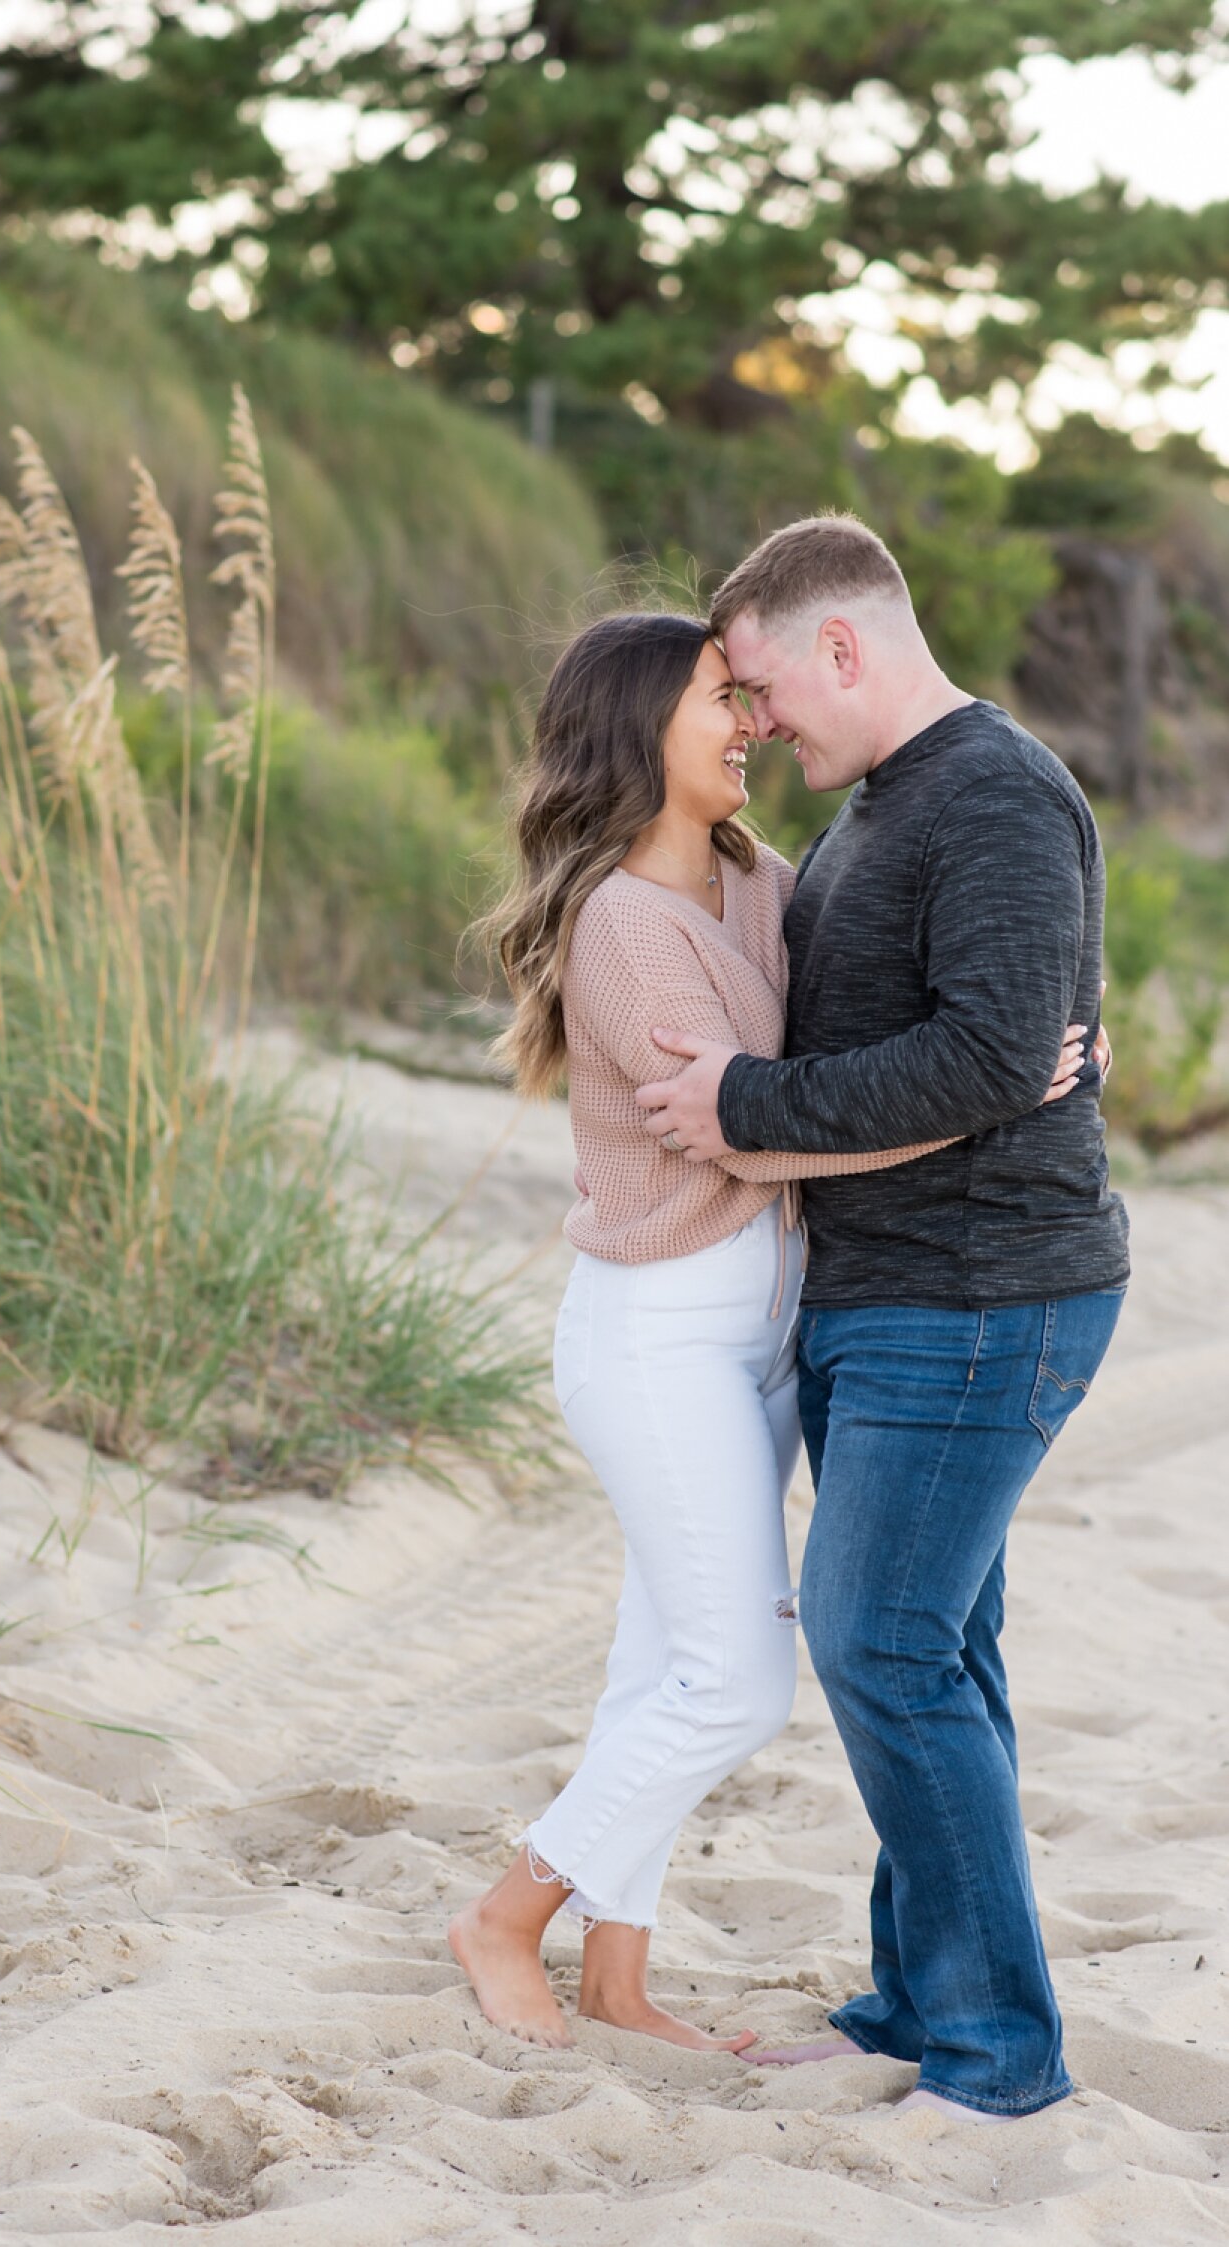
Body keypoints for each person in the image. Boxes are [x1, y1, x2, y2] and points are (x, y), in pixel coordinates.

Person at [447, 608, 1091, 2056]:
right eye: (714, 700)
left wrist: (1041, 1038)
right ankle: (507, 1914)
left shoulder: (760, 880)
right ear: (637, 734)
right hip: (657, 1334)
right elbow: (760, 1135)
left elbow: (868, 1045)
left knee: (655, 1663)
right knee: (730, 1681)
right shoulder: (619, 923)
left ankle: (617, 1976)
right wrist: (993, 1093)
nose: (747, 724)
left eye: (746, 696)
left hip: (770, 1327)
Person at [636, 516, 1128, 2122]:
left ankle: (996, 2060)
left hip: (981, 1291)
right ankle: (922, 2007)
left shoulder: (988, 792)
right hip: (895, 1289)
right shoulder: (888, 803)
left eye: (766, 681)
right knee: (938, 1648)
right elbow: (1003, 1032)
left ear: (843, 644)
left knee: (880, 1643)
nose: (757, 719)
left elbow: (995, 1057)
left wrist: (745, 1105)